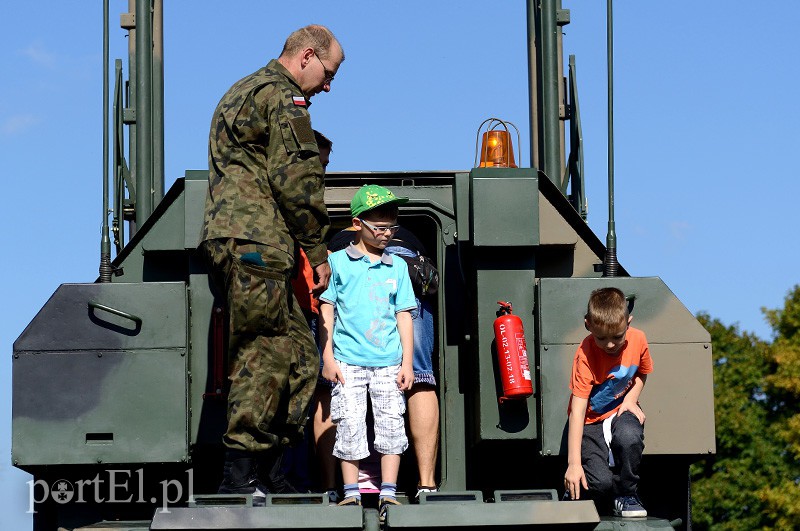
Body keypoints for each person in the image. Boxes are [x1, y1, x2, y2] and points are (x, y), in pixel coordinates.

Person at [199, 25, 344, 502]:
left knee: (301, 357)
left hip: (247, 241)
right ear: (307, 56)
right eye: (329, 73)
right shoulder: (281, 97)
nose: (328, 86)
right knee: (263, 355)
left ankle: (270, 469)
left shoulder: (241, 90)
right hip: (256, 240)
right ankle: (240, 474)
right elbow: (297, 179)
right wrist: (317, 251)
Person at [318, 184, 415, 520]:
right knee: (349, 424)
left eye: (392, 226)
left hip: (389, 362)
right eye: (381, 227)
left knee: (391, 424)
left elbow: (404, 314)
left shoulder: (398, 267)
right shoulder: (338, 263)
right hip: (347, 361)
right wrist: (328, 357)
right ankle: (350, 493)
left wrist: (408, 361)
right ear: (357, 224)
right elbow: (326, 310)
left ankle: (388, 492)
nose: (388, 233)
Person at [327, 225, 439, 499]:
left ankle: (331, 487)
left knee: (335, 377)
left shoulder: (338, 256)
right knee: (418, 377)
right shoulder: (397, 242)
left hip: (343, 248)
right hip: (408, 255)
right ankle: (426, 484)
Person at [563, 287, 654, 518]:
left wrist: (631, 399)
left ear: (628, 323)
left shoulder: (639, 339)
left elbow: (642, 372)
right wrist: (573, 464)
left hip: (621, 409)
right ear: (588, 325)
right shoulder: (585, 355)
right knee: (600, 483)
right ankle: (577, 491)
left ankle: (627, 494)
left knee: (629, 436)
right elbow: (578, 410)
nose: (610, 345)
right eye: (601, 338)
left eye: (617, 337)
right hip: (590, 421)